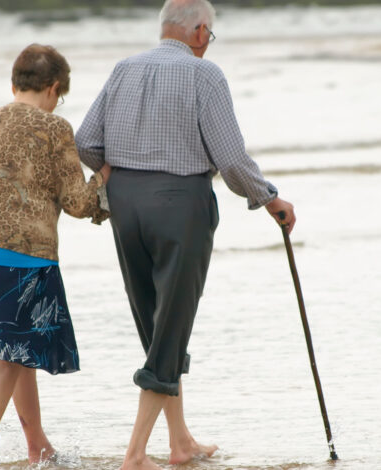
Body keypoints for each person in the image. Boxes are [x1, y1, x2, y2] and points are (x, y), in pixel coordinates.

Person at [75, 1, 296, 469]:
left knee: (158, 326)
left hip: (125, 206)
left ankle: (180, 442)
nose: (207, 43)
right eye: (208, 35)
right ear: (198, 31)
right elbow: (232, 160)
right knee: (170, 329)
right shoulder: (205, 76)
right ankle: (133, 456)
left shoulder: (123, 69)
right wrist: (269, 198)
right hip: (180, 204)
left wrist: (113, 173)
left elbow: (85, 141)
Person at [0, 44, 111, 470]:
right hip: (19, 253)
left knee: (19, 350)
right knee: (6, 357)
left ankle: (38, 446)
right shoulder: (54, 128)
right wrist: (105, 178)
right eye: (60, 95)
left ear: (13, 84)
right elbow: (76, 202)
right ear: (53, 88)